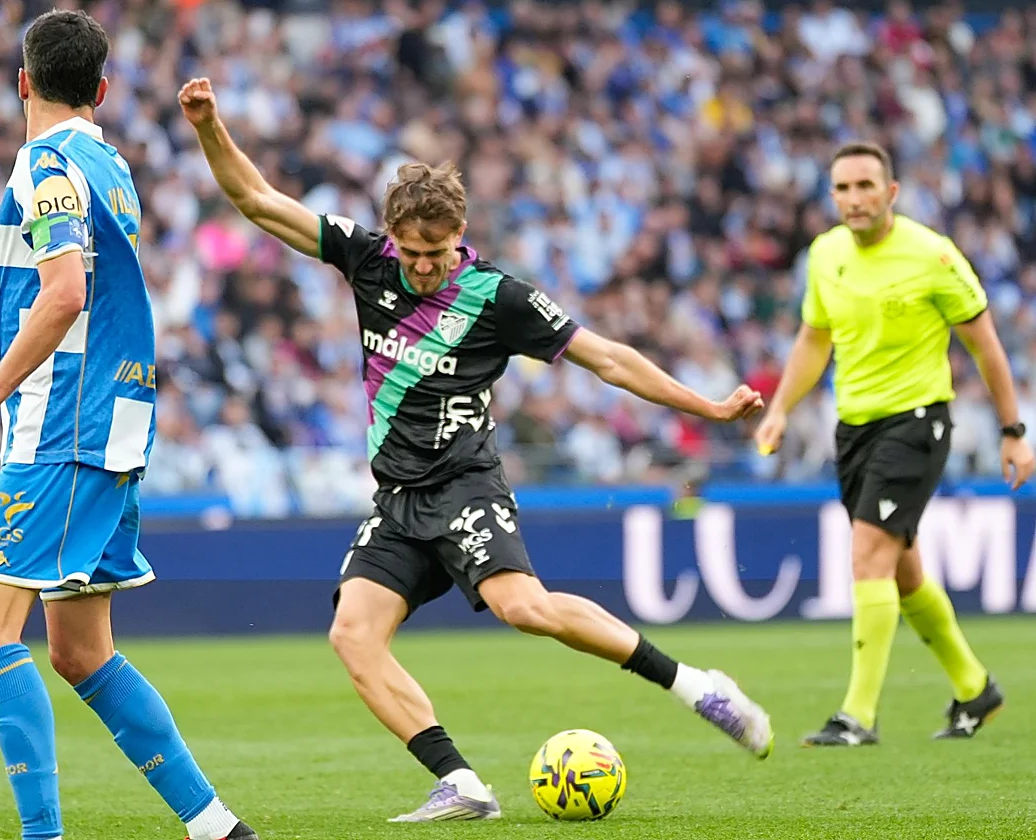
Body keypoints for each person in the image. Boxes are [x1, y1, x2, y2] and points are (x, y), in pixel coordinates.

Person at [179, 76, 774, 823]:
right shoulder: (367, 260)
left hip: (465, 486)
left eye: (437, 252)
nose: (423, 265)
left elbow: (610, 359)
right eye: (411, 252)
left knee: (522, 608)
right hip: (397, 500)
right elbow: (258, 201)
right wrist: (208, 125)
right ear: (391, 235)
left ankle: (696, 684)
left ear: (459, 235)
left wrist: (707, 404)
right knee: (353, 634)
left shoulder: (500, 297)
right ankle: (461, 783)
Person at [0, 14, 257, 840]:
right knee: (81, 652)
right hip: (115, 423)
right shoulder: (110, 162)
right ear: (103, 91)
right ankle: (218, 827)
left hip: (62, 428)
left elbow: (63, 294)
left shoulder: (47, 163)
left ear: (23, 82)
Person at [754, 141, 1035, 747]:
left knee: (866, 556)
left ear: (891, 193)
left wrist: (1014, 432)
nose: (854, 199)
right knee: (902, 572)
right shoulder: (825, 255)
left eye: (865, 186)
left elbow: (985, 345)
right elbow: (812, 339)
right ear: (832, 197)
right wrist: (780, 410)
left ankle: (857, 715)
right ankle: (974, 687)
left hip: (917, 421)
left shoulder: (933, 255)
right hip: (854, 429)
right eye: (843, 189)